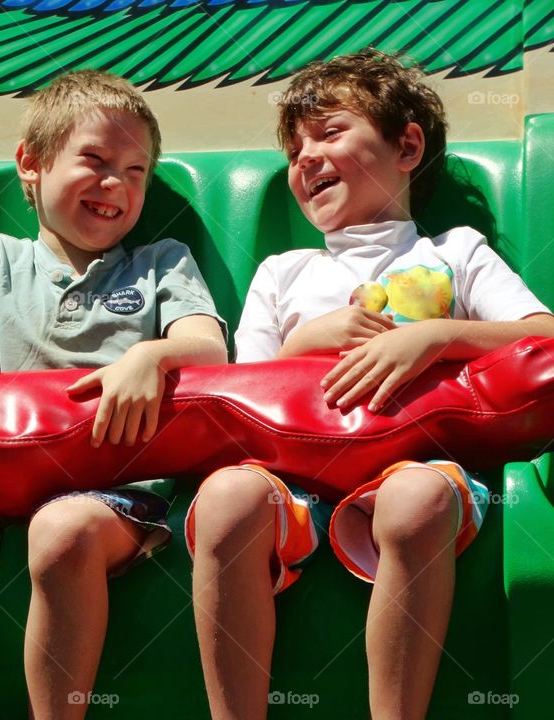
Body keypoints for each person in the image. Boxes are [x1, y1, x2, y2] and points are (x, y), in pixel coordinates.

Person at [188, 48, 554, 720]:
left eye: (329, 134)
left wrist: (437, 337)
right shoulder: (283, 272)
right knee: (224, 498)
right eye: (295, 149)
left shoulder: (453, 252)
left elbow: (543, 335)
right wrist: (306, 343)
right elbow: (239, 393)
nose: (305, 159)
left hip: (416, 460)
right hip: (293, 478)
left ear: (407, 146)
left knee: (414, 497)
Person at [0, 69, 228, 719]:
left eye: (135, 172)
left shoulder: (160, 261)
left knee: (61, 528)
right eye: (95, 161)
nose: (115, 185)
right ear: (31, 164)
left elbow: (209, 347)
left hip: (111, 488)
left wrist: (151, 354)